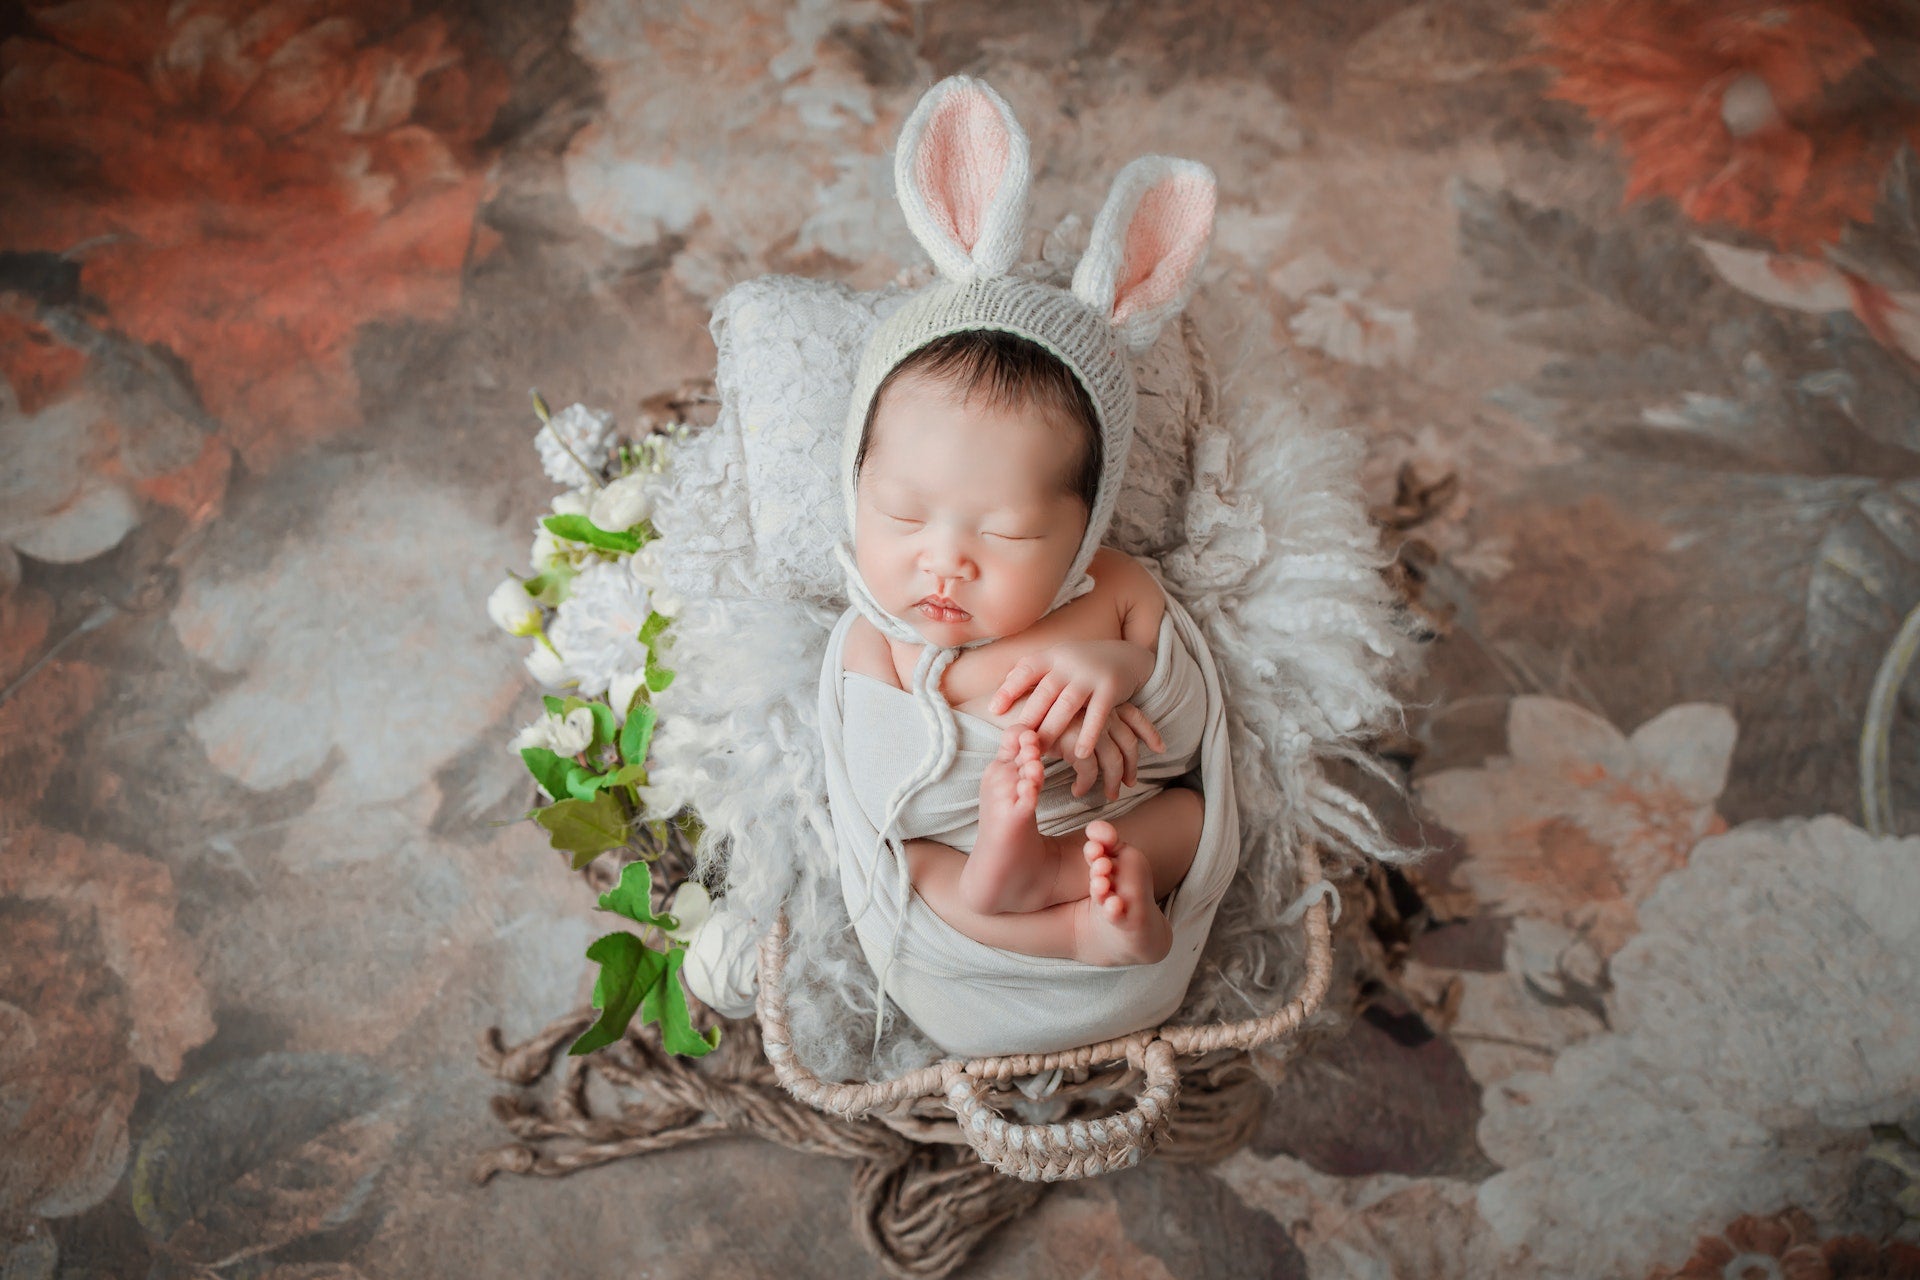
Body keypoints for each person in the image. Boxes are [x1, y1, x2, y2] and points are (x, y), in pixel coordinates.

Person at [839, 327, 1205, 967]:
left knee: (1192, 817)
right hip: (970, 856)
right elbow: (882, 792)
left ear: (1083, 534)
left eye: (1008, 534)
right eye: (902, 515)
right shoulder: (876, 636)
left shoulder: (1116, 586)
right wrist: (1019, 729)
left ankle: (1061, 880)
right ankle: (1071, 935)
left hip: (1102, 826)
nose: (946, 563)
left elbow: (1180, 713)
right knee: (909, 867)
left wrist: (1117, 669)